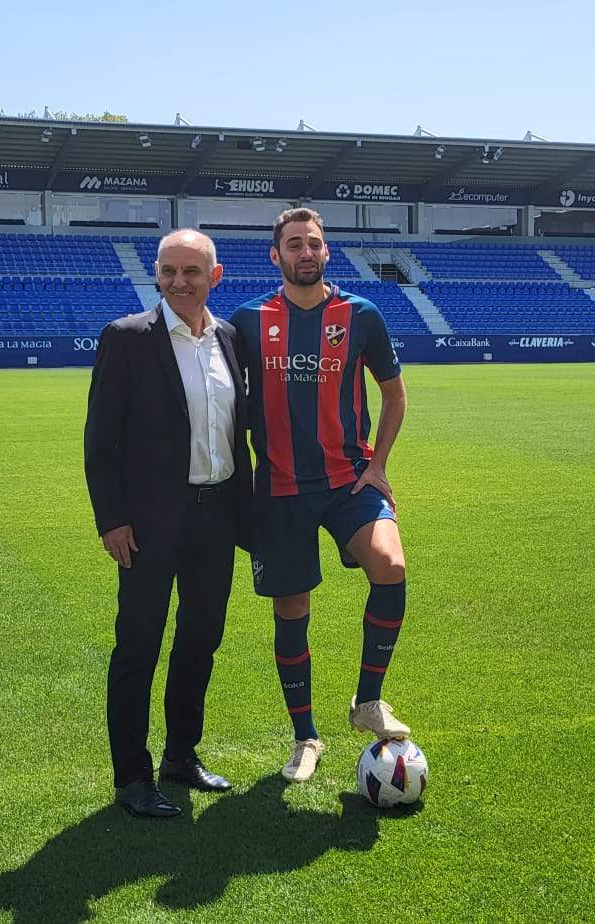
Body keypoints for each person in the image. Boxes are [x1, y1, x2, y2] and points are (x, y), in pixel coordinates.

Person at [230, 208, 412, 784]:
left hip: (347, 482)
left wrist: (378, 464)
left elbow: (395, 396)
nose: (305, 252)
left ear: (326, 252)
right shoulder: (248, 321)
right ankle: (305, 736)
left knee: (390, 564)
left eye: (314, 244)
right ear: (275, 255)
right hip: (279, 490)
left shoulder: (361, 315)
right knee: (293, 609)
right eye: (293, 244)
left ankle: (368, 701)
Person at [84, 229, 251, 817]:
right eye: (169, 271)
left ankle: (182, 755)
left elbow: (238, 436)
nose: (180, 282)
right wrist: (113, 520)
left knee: (200, 641)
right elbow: (100, 440)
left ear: (215, 276)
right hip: (150, 524)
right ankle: (132, 776)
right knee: (138, 647)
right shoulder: (127, 338)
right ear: (156, 274)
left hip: (216, 519)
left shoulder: (230, 339)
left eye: (192, 272)